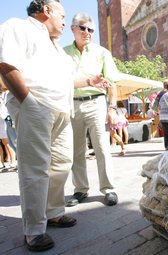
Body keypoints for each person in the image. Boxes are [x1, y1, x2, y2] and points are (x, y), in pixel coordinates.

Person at [0, 0, 76, 251]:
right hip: (36, 105)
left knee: (62, 162)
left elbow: (69, 79)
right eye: (63, 15)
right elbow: (6, 64)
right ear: (46, 10)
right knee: (35, 168)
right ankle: (33, 230)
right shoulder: (17, 27)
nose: (66, 22)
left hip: (61, 110)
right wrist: (29, 102)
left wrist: (92, 79)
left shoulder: (57, 48)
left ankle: (53, 212)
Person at [64, 13, 119, 207]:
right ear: (73, 29)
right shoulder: (62, 53)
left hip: (96, 102)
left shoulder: (102, 52)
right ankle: (80, 189)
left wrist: (112, 108)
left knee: (102, 147)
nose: (87, 32)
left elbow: (112, 82)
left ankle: (108, 188)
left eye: (91, 29)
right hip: (71, 103)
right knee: (75, 150)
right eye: (82, 27)